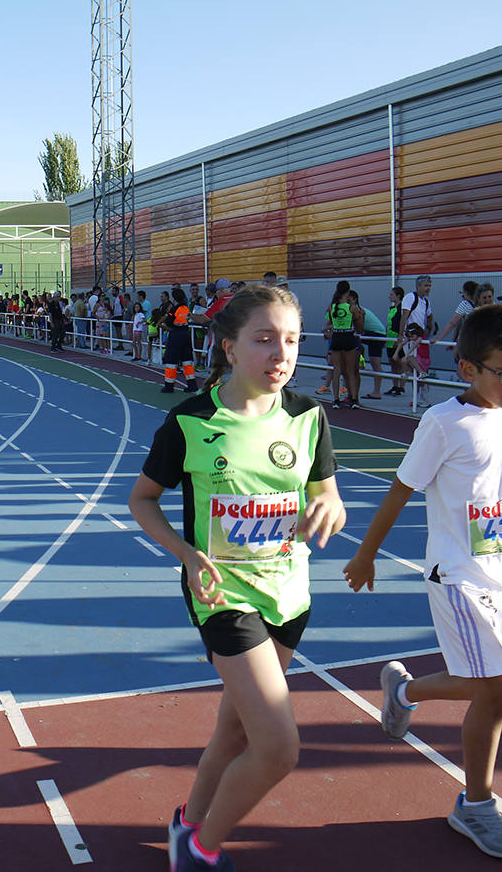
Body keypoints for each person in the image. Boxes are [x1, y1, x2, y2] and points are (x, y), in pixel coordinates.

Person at [343, 304, 502, 861]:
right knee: (495, 689)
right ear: (467, 369)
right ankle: (476, 805)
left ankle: (401, 691)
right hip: (455, 573)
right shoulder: (442, 424)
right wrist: (365, 555)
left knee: (478, 682)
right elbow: (401, 491)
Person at [128, 283, 345, 872]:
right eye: (265, 339)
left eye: (293, 340)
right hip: (222, 596)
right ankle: (202, 851)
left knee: (236, 735)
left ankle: (187, 824)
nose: (282, 353)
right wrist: (186, 554)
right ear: (228, 347)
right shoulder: (192, 422)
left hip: (289, 594)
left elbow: (329, 495)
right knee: (278, 748)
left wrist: (330, 508)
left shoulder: (308, 418)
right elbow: (142, 500)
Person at [323, 280, 362, 408]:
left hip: (336, 338)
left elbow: (330, 322)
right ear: (348, 291)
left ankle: (336, 399)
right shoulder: (352, 307)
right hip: (348, 337)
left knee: (337, 370)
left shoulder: (331, 306)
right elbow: (359, 327)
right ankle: (354, 399)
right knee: (350, 370)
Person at [348, 290, 386, 400]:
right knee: (354, 341)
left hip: (377, 334)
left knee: (375, 363)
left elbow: (356, 327)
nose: (346, 302)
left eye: (348, 300)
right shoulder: (355, 310)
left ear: (354, 300)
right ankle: (360, 360)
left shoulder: (359, 310)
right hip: (370, 333)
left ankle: (377, 391)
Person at [161, 288, 197, 393]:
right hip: (186, 334)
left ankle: (169, 386)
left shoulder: (174, 309)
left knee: (171, 361)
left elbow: (168, 322)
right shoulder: (186, 308)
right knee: (187, 361)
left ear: (174, 298)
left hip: (176, 335)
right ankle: (192, 385)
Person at [433, 280, 478, 356]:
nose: (462, 297)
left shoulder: (465, 304)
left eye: (463, 294)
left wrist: (438, 339)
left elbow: (453, 323)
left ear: (466, 293)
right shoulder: (482, 304)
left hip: (467, 342)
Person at [385, 286, 406, 395]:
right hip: (389, 338)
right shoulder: (392, 309)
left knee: (400, 363)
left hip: (397, 340)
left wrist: (399, 337)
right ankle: (395, 386)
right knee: (392, 363)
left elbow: (401, 324)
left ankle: (402, 387)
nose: (390, 296)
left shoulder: (402, 309)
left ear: (398, 296)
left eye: (392, 294)